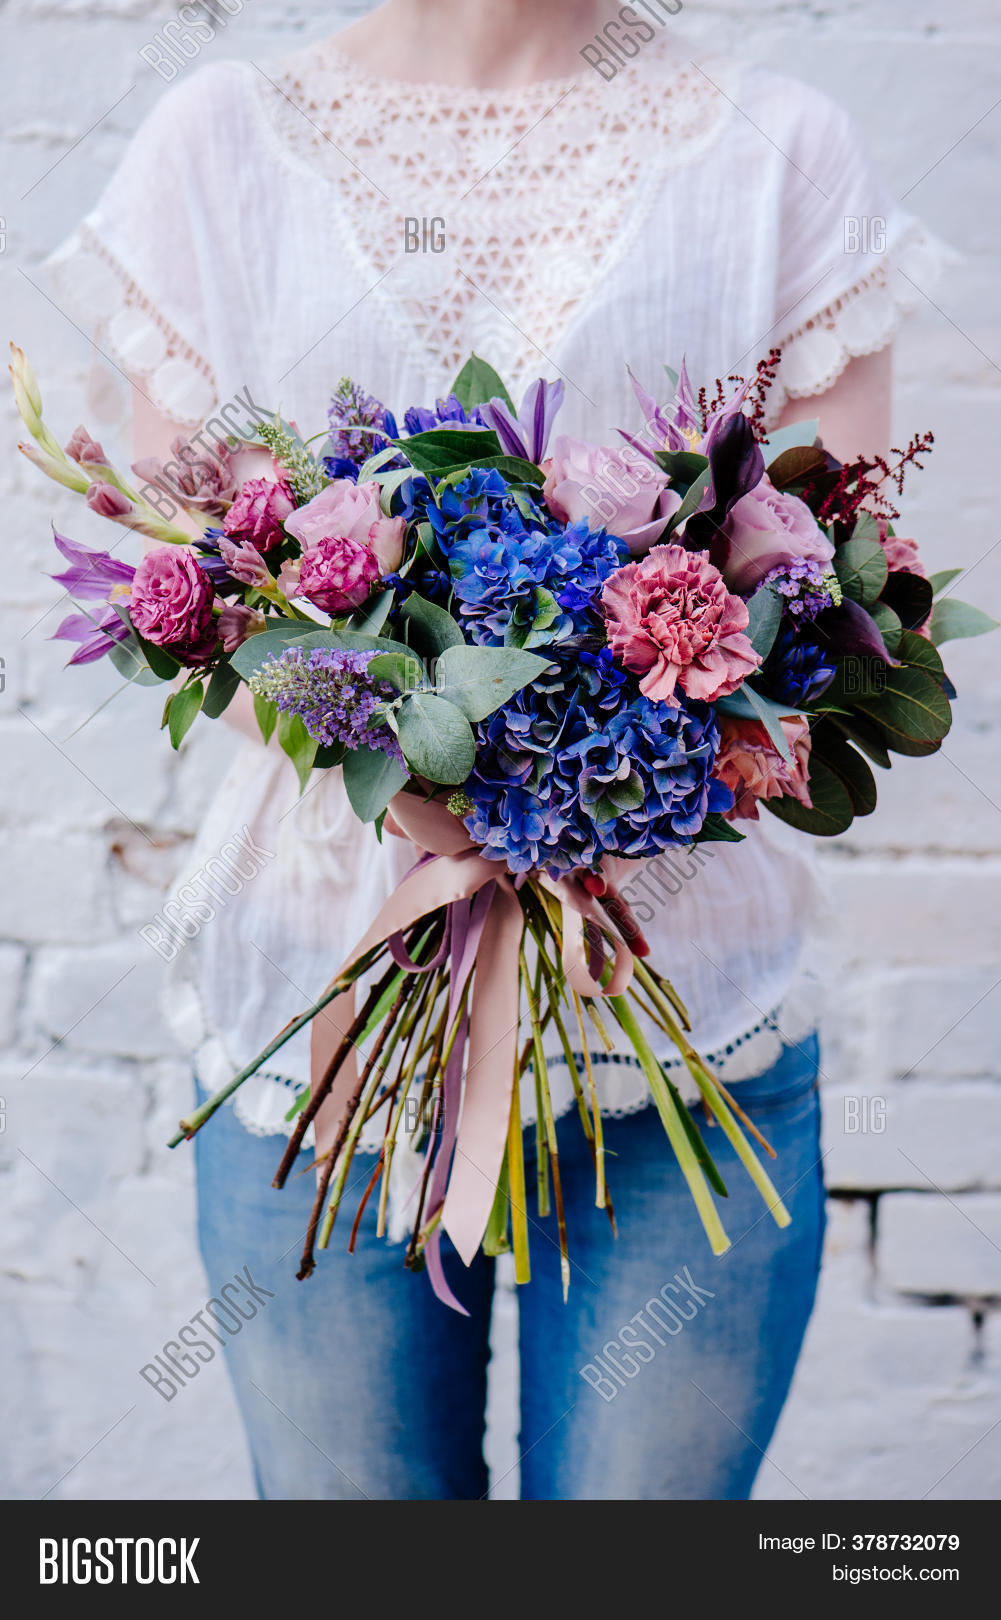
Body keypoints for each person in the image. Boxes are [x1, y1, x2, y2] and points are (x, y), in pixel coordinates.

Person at [48, 0, 942, 1499]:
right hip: (325, 1018)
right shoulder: (220, 144)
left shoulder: (782, 156)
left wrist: (602, 715)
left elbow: (824, 603)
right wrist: (449, 734)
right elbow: (218, 597)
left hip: (686, 1018)